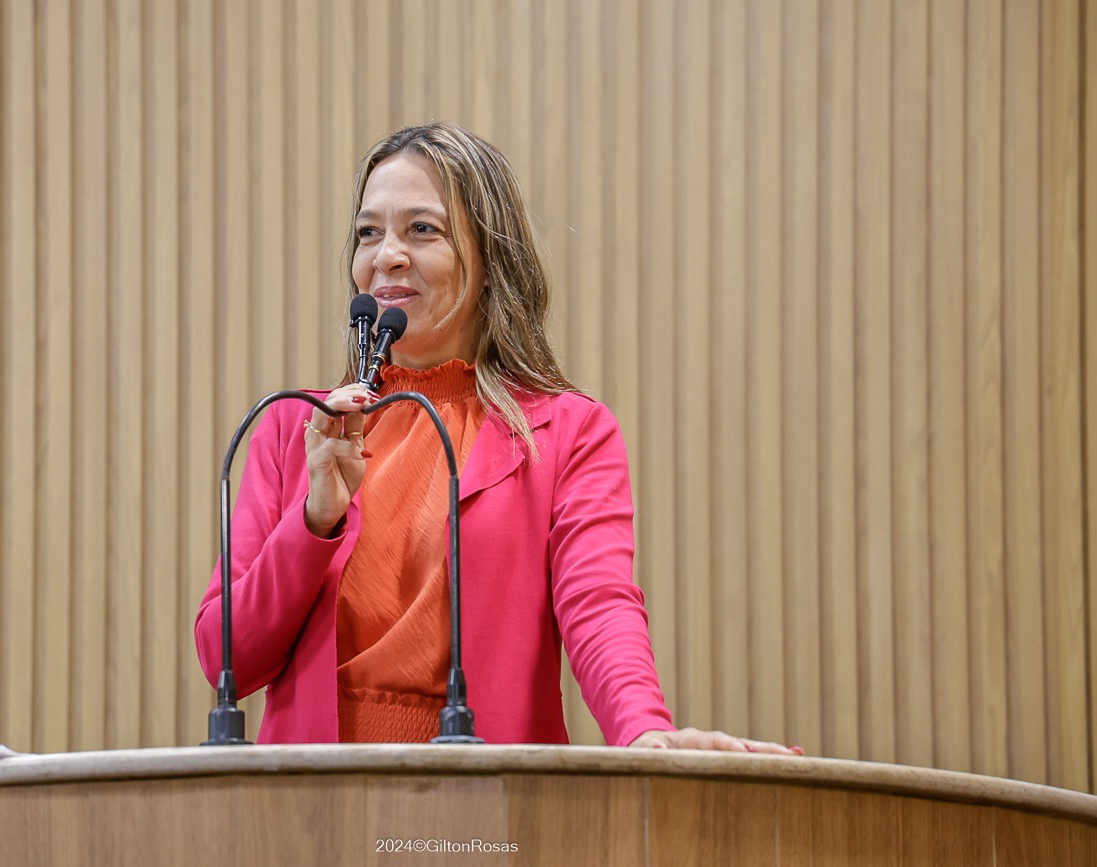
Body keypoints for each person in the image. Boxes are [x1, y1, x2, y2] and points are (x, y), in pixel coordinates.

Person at [196, 122, 800, 754]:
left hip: (493, 797)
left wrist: (644, 729)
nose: (386, 256)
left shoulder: (570, 433)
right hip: (313, 800)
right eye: (368, 232)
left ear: (490, 262)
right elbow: (223, 656)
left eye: (422, 229)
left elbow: (599, 605)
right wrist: (314, 521)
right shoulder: (297, 429)